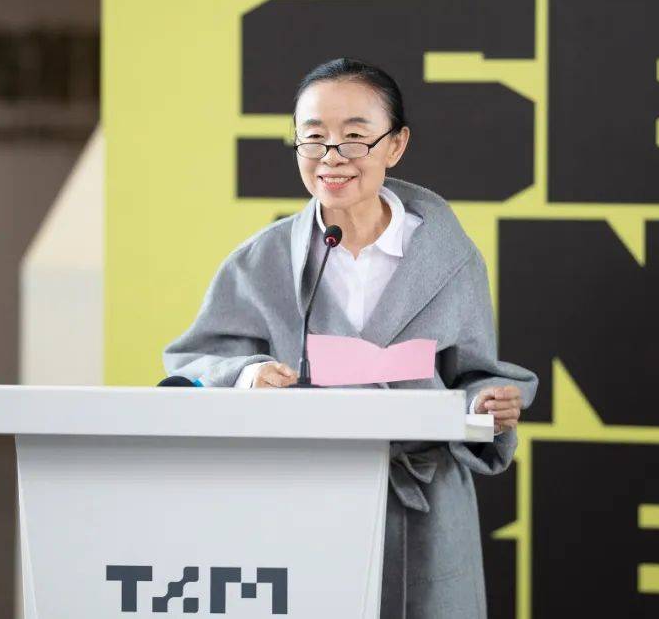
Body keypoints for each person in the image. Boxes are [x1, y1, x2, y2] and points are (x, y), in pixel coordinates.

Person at [164, 57, 538, 618]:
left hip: (421, 504)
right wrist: (246, 374)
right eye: (313, 137)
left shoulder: (451, 259)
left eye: (355, 137)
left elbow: (473, 373)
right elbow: (196, 359)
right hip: (301, 497)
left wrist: (485, 402)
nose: (332, 157)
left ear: (396, 145)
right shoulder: (262, 260)